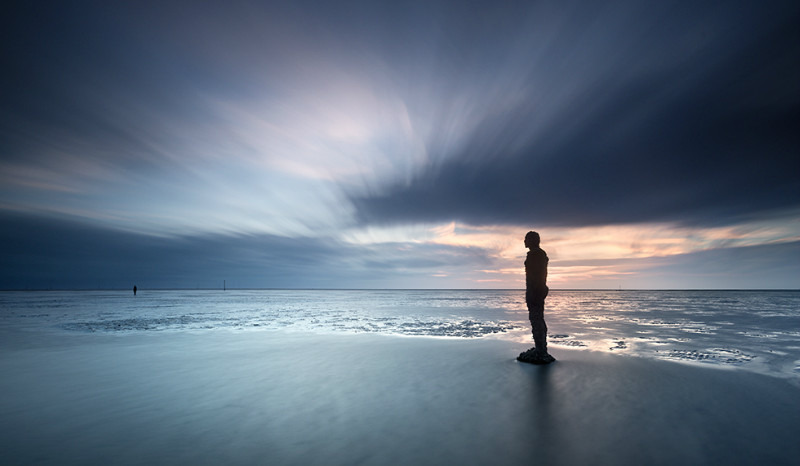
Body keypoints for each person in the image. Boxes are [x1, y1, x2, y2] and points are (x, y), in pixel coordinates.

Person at [520, 231, 555, 363]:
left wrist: (535, 292)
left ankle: (541, 350)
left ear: (533, 240)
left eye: (527, 239)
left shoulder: (536, 255)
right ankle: (540, 348)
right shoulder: (537, 254)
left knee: (536, 320)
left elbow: (537, 277)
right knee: (537, 319)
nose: (524, 241)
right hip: (536, 291)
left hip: (535, 292)